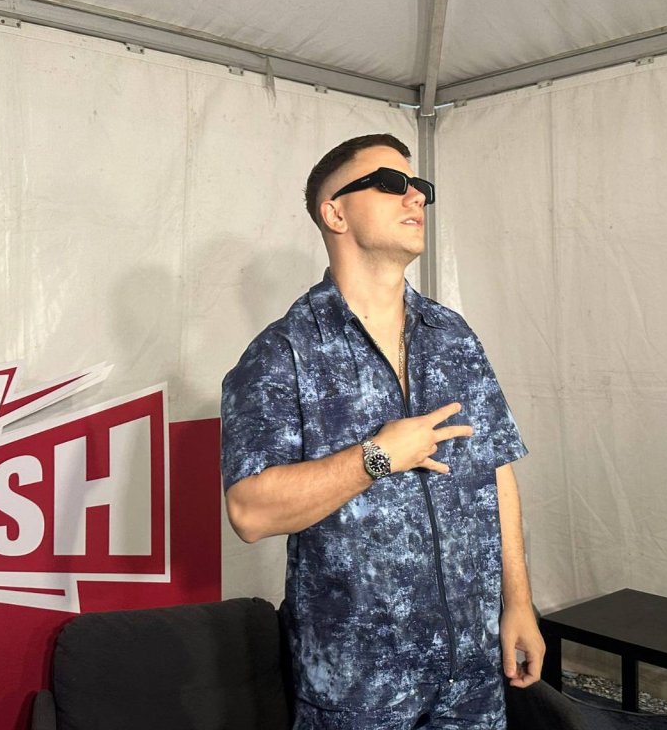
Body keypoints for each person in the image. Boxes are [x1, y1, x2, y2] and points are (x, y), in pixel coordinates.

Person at [220, 133, 544, 729]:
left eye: (419, 187)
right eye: (391, 184)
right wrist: (377, 456)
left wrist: (519, 603)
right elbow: (249, 511)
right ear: (335, 213)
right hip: (358, 688)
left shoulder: (452, 334)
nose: (414, 197)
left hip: (471, 677)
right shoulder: (283, 352)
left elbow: (495, 469)